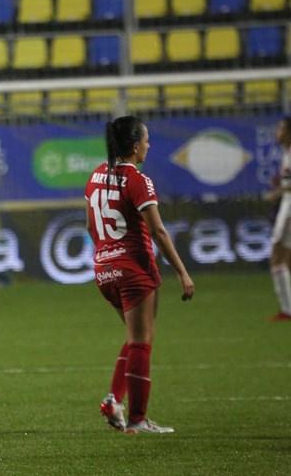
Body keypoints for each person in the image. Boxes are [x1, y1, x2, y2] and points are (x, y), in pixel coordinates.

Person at [85, 116, 195, 434]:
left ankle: (113, 400)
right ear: (135, 146)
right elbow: (158, 230)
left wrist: (107, 254)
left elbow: (91, 225)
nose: (149, 145)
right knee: (142, 342)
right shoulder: (138, 180)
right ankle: (138, 419)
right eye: (146, 140)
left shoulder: (95, 176)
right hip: (134, 269)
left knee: (135, 340)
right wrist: (183, 273)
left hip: (104, 269)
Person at [266, 117, 291, 321]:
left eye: (281, 128)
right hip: (287, 205)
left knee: (277, 257)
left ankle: (287, 309)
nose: (278, 132)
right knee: (285, 259)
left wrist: (278, 191)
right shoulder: (287, 153)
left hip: (290, 208)